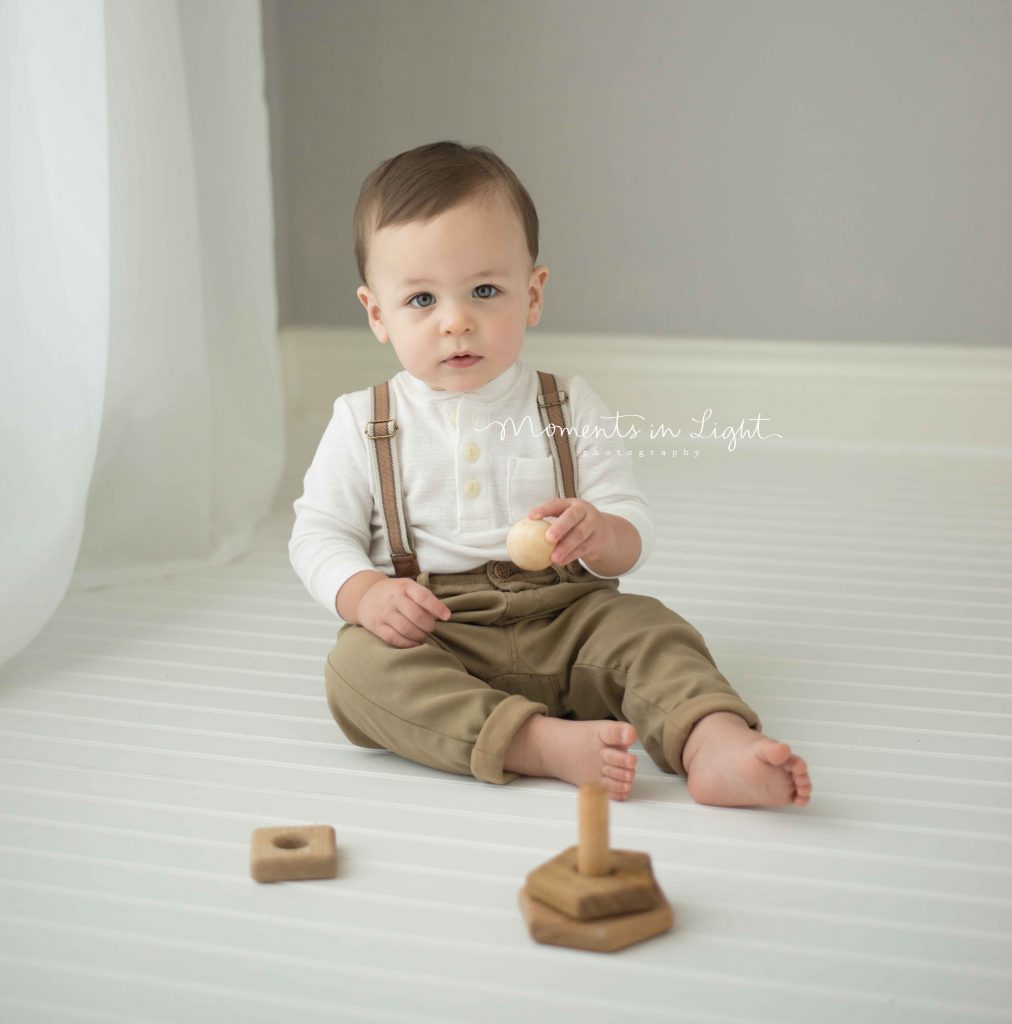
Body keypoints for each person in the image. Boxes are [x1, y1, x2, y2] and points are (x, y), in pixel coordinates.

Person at [289, 140, 811, 806]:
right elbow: (317, 534)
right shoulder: (365, 421)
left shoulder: (563, 403)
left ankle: (711, 740)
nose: (456, 321)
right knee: (356, 670)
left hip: (568, 620)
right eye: (421, 299)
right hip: (440, 630)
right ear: (377, 314)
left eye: (484, 290)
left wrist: (600, 532)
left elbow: (631, 520)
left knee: (651, 631)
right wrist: (365, 594)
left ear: (532, 294)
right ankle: (533, 744)